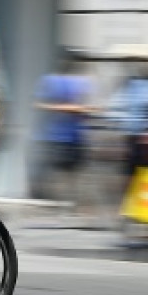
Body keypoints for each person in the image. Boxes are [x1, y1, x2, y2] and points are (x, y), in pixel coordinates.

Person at [32, 54, 95, 200]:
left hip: (73, 138)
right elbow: (37, 104)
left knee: (71, 176)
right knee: (51, 174)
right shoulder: (50, 80)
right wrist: (67, 108)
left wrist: (80, 110)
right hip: (52, 136)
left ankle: (67, 203)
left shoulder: (83, 82)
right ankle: (51, 200)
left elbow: (88, 108)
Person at [107, 56, 148, 180]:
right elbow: (115, 108)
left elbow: (115, 110)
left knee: (142, 175)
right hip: (139, 137)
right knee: (137, 174)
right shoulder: (133, 84)